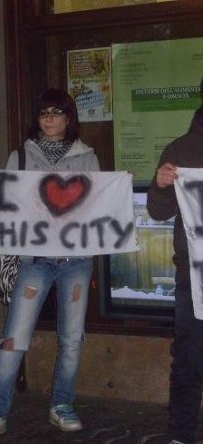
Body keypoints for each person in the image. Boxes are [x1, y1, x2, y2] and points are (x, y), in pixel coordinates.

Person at [0, 88, 100, 441]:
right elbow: (9, 199)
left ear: (69, 117)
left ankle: (62, 404)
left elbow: (96, 207)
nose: (50, 118)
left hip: (76, 260)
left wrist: (116, 190)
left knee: (71, 337)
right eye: (44, 112)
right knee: (13, 337)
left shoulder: (87, 157)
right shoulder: (21, 156)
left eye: (57, 112)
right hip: (34, 259)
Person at [147, 79, 203, 444]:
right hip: (194, 275)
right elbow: (158, 211)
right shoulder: (181, 149)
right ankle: (181, 434)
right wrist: (162, 185)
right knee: (189, 358)